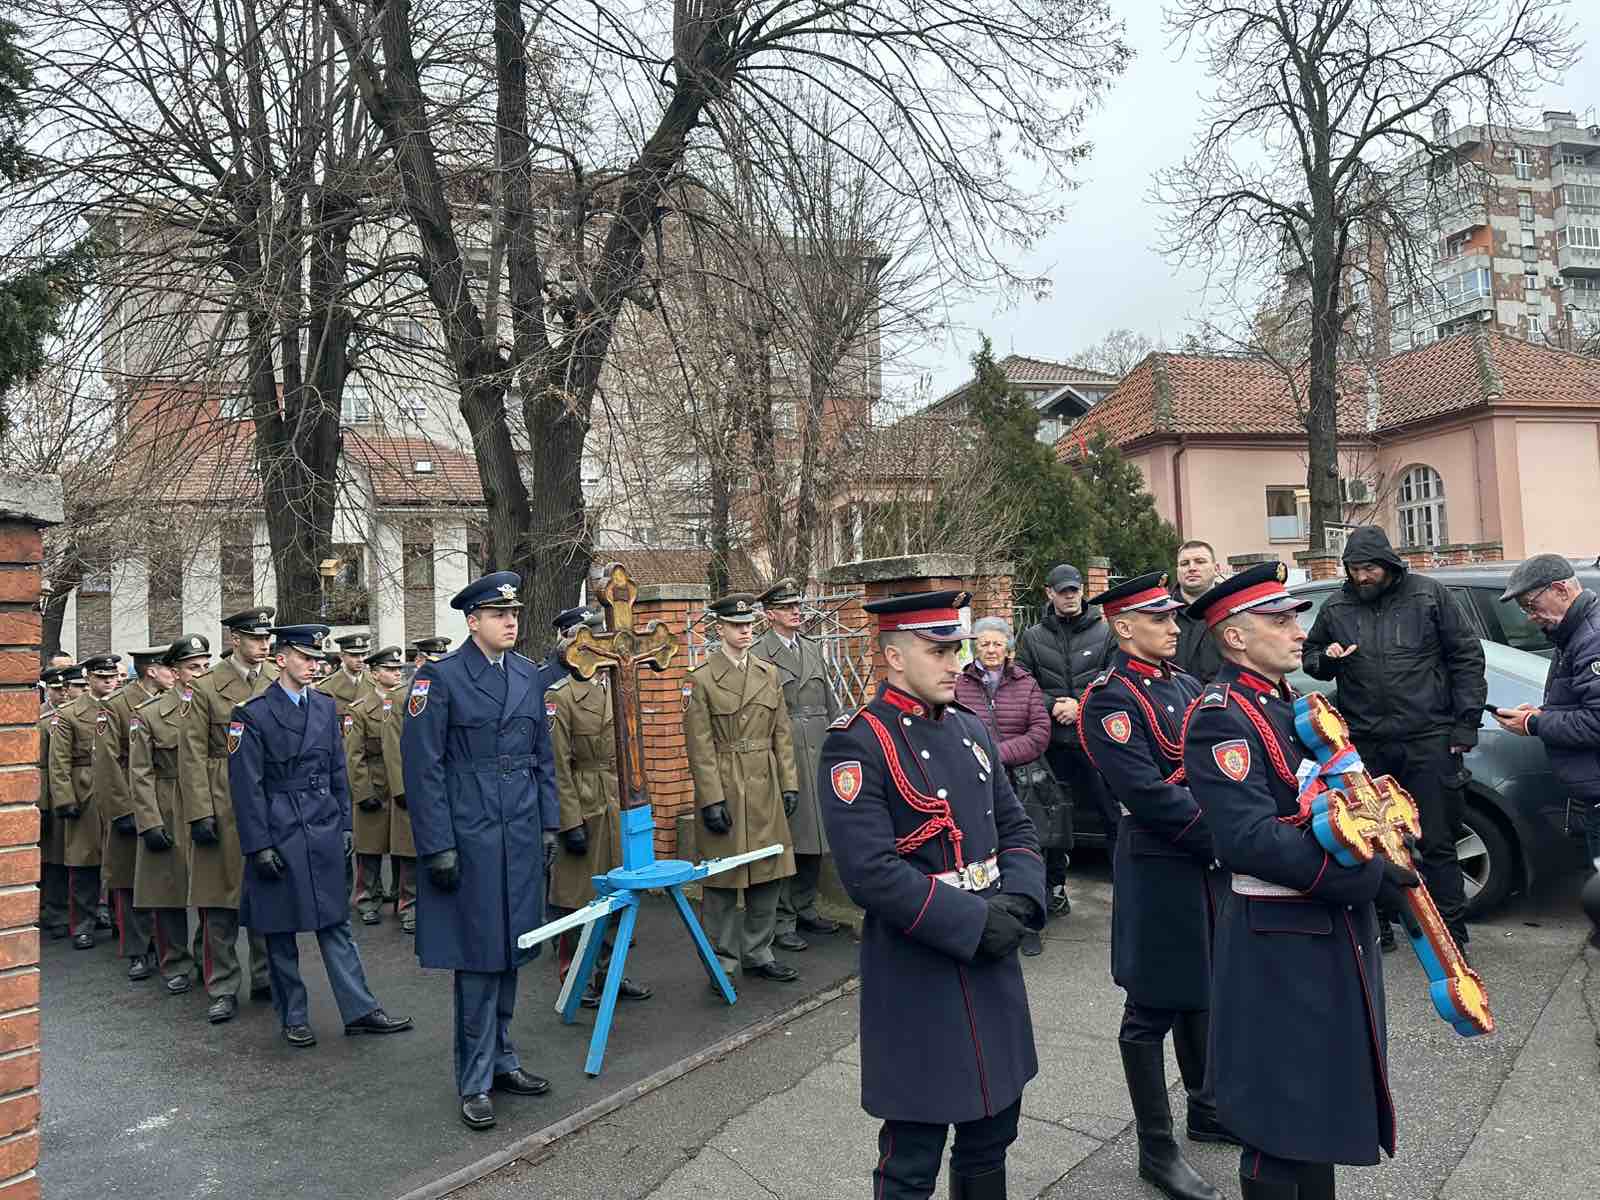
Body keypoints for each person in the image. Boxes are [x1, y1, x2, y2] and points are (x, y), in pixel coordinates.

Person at [1183, 562, 1417, 1200]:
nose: (1296, 631)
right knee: (1280, 1125)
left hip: (1325, 932)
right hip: (1279, 943)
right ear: (1235, 637)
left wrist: (1383, 846)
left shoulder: (1292, 705)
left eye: (1294, 618)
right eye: (1279, 620)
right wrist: (1358, 877)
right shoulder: (1221, 716)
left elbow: (1336, 806)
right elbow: (1248, 838)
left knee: (1321, 1115)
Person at [820, 590, 1045, 1200]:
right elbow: (870, 872)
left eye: (958, 648)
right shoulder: (858, 742)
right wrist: (973, 923)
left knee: (993, 1129)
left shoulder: (971, 728)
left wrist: (1022, 903)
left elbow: (1017, 826)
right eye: (938, 649)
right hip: (919, 964)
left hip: (993, 953)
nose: (955, 662)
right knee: (913, 1150)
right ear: (893, 657)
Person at [1080, 574, 1227, 1200]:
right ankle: (1156, 1148)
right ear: (1123, 627)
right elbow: (1144, 790)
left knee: (1203, 985)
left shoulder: (1188, 685)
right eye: (1159, 618)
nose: (1174, 627)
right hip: (1158, 860)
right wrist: (1224, 834)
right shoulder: (1108, 701)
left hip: (1200, 860)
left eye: (1174, 618)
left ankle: (1207, 1105)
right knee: (1150, 1005)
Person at [401, 572, 559, 1131]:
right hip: (468, 835)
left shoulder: (526, 674)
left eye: (513, 613)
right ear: (473, 622)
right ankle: (474, 1078)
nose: (511, 621)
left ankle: (503, 1058)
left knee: (513, 949)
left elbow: (543, 758)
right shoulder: (439, 680)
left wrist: (548, 826)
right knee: (477, 958)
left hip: (517, 832)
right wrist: (437, 846)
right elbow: (424, 770)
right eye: (498, 614)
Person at [227, 624, 412, 1047]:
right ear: (281, 660)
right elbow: (246, 788)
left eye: (316, 659)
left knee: (335, 924)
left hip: (322, 826)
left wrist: (345, 824)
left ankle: (361, 1009)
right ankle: (293, 1015)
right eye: (304, 658)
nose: (313, 666)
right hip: (278, 828)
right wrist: (258, 846)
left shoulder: (326, 708)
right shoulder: (251, 714)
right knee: (279, 931)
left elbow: (336, 771)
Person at [1301, 526, 1486, 952]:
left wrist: (1465, 726)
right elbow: (1310, 657)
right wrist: (1324, 660)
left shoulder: (1428, 596)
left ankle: (1450, 934)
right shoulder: (1337, 607)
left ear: (1388, 565)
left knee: (1437, 840)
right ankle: (1379, 925)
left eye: (1369, 568)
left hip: (1428, 738)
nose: (1362, 577)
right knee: (1369, 839)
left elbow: (1466, 657)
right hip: (1364, 744)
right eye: (1354, 569)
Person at [683, 592, 800, 987]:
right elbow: (699, 746)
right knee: (722, 878)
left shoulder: (768, 674)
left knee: (769, 873)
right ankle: (722, 962)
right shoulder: (701, 679)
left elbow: (782, 733)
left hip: (766, 781)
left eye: (749, 624)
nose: (745, 630)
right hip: (727, 781)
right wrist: (711, 799)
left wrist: (790, 783)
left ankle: (758, 951)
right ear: (720, 629)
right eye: (736, 625)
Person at [546, 608, 652, 1007]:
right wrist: (568, 821)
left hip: (616, 799)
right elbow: (558, 766)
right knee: (579, 897)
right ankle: (575, 977)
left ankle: (612, 972)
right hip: (585, 803)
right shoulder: (559, 697)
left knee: (618, 891)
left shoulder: (615, 683)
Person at [181, 607, 278, 1023]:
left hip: (267, 795)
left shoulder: (276, 678)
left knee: (266, 890)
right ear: (235, 640)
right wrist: (200, 811)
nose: (264, 645)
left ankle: (265, 976)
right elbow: (191, 755)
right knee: (219, 902)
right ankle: (221, 986)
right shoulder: (206, 687)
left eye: (267, 638)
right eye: (255, 638)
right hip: (221, 796)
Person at [1491, 555, 1600, 923]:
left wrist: (1535, 724)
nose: (1529, 616)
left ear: (1561, 589)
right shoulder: (1575, 631)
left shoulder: (1591, 638)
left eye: (1531, 605)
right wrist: (1540, 714)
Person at [1015, 562, 1114, 914]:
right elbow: (1022, 681)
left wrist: (1081, 705)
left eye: (1074, 590)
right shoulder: (1032, 637)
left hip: (1094, 740)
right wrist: (1054, 704)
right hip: (1051, 743)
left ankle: (1129, 888)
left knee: (1111, 816)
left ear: (1082, 591)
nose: (1070, 597)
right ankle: (1054, 889)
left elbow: (1113, 678)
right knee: (1050, 819)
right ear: (1049, 593)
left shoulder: (1105, 634)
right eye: (1063, 592)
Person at [752, 578, 843, 953]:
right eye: (787, 607)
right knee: (789, 838)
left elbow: (830, 700)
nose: (796, 611)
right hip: (784, 753)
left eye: (797, 605)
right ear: (770, 614)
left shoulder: (811, 648)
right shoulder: (760, 652)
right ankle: (783, 919)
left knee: (817, 836)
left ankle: (806, 907)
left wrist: (841, 734)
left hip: (819, 748)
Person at [954, 615, 1053, 953]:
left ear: (1009, 649)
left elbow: (1040, 733)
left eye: (998, 643)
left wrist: (996, 754)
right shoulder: (959, 684)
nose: (991, 649)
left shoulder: (1026, 683)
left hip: (1021, 780)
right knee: (982, 845)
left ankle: (1027, 923)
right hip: (971, 780)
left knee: (1025, 846)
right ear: (974, 648)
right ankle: (990, 919)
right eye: (984, 644)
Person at [130, 636, 210, 994]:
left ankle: (208, 958)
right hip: (167, 803)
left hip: (207, 801)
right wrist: (149, 821)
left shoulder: (216, 707)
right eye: (194, 667)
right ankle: (175, 962)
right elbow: (140, 772)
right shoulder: (150, 714)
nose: (201, 673)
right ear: (174, 672)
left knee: (213, 890)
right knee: (168, 890)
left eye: (206, 666)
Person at [95, 647, 171, 981]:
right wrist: (123, 809)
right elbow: (107, 762)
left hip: (161, 797)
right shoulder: (116, 706)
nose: (175, 672)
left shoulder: (172, 700)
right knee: (128, 881)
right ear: (152, 670)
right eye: (170, 666)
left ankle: (167, 947)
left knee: (162, 878)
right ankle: (138, 951)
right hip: (128, 795)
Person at [49, 652, 122, 948]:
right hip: (84, 788)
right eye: (102, 678)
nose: (109, 683)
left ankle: (121, 921)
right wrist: (65, 799)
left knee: (121, 858)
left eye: (112, 677)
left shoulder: (125, 707)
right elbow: (59, 761)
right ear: (88, 678)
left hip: (118, 787)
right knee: (84, 862)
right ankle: (83, 922)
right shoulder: (69, 713)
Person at [345, 646, 409, 927]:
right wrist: (363, 792)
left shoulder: (407, 702)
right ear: (374, 674)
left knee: (402, 847)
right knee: (369, 850)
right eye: (390, 669)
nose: (396, 674)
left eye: (398, 670)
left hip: (400, 784)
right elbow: (353, 755)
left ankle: (401, 898)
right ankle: (367, 899)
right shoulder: (358, 709)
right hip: (374, 785)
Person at [36, 667, 70, 940]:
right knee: (54, 859)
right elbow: (42, 768)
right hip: (51, 795)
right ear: (46, 688)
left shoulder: (72, 715)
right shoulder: (41, 719)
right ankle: (55, 912)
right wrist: (44, 805)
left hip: (74, 792)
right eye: (57, 689)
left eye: (65, 688)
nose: (62, 693)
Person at [1172, 540, 1225, 682]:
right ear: (1177, 570)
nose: (1192, 568)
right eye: (1184, 564)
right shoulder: (1161, 614)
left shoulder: (1234, 611)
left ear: (1217, 569)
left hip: (1227, 701)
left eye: (1200, 562)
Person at [318, 631, 372, 715]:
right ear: (341, 656)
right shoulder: (326, 688)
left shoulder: (376, 682)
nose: (361, 660)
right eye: (354, 655)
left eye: (363, 655)